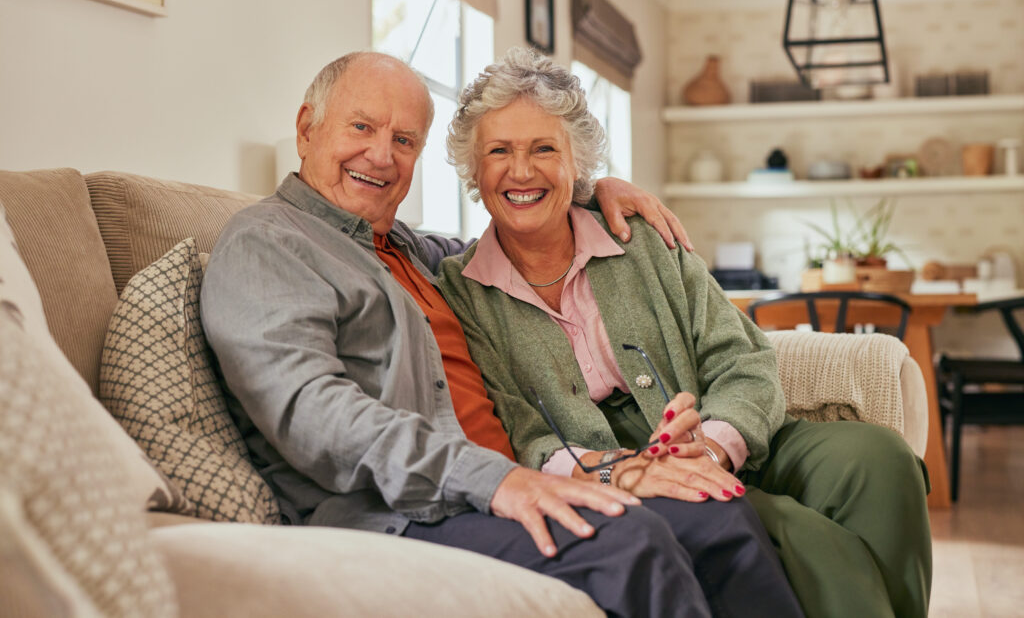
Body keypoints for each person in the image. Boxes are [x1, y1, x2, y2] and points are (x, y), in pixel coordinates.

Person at [201, 50, 784, 617]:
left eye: (404, 141)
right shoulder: (268, 243)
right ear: (307, 128)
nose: (381, 156)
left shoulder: (403, 248)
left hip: (507, 482)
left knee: (713, 514)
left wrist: (591, 191)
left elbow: (518, 234)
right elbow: (313, 413)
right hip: (410, 510)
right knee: (632, 544)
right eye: (362, 127)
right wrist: (497, 480)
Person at [436, 47, 932, 618]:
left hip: (716, 423)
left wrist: (717, 445)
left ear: (577, 165)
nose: (521, 171)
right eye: (499, 151)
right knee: (790, 530)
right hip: (608, 460)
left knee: (880, 459)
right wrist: (619, 467)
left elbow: (743, 359)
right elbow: (517, 428)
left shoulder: (640, 237)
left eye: (544, 148)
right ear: (474, 170)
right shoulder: (460, 290)